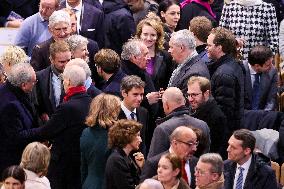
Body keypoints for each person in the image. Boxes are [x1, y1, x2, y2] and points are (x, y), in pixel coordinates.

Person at [24, 64, 92, 189]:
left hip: (65, 165)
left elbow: (47, 131)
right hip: (83, 161)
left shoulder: (68, 107)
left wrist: (26, 133)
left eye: (64, 80)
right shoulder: (92, 102)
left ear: (69, 81)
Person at [147, 87, 210, 159]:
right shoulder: (203, 125)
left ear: (166, 105)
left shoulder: (162, 129)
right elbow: (205, 158)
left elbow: (153, 163)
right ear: (184, 101)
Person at [0, 63, 38, 174]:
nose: (35, 84)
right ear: (23, 85)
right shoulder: (9, 104)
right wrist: (41, 132)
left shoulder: (13, 91)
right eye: (34, 82)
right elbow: (16, 136)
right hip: (11, 164)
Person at [206, 27, 244, 138]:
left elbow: (223, 113)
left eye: (209, 45)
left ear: (219, 48)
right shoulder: (232, 65)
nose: (206, 49)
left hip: (223, 135)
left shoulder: (224, 74)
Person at [80, 94, 121, 189]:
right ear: (111, 111)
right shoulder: (115, 134)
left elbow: (83, 167)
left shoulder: (85, 132)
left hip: (88, 184)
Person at [187, 76, 226, 156]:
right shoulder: (192, 110)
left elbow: (214, 149)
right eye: (189, 95)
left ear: (206, 94)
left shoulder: (216, 117)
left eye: (194, 95)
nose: (190, 99)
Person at [136, 13, 174, 90]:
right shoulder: (133, 55)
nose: (149, 38)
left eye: (153, 35)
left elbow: (169, 81)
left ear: (158, 37)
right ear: (140, 35)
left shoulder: (166, 56)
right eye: (145, 34)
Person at [34, 40, 71, 119]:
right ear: (51, 60)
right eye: (62, 62)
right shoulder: (40, 77)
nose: (66, 65)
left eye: (68, 60)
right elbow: (37, 103)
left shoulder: (79, 74)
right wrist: (43, 114)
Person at [105, 119, 144, 189]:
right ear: (128, 136)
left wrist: (140, 167)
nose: (140, 140)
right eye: (138, 135)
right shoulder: (117, 160)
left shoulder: (125, 157)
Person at [119, 75, 149, 155]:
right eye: (135, 95)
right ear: (124, 93)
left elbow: (144, 142)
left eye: (141, 94)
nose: (139, 99)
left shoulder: (144, 112)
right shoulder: (114, 114)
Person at [244, 45, 277, 111]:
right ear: (257, 66)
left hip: (263, 115)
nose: (272, 66)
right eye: (268, 65)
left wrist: (263, 117)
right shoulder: (240, 70)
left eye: (272, 62)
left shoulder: (272, 71)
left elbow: (271, 100)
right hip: (243, 115)